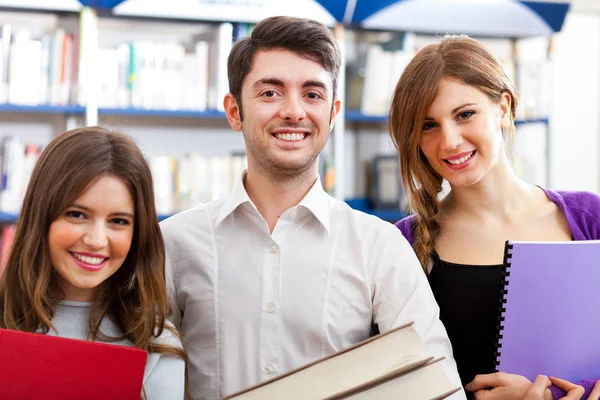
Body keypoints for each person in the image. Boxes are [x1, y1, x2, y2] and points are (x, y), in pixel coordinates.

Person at [161, 15, 464, 400]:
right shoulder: (173, 244)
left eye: (312, 94)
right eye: (270, 93)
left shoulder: (378, 247)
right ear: (234, 111)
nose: (293, 111)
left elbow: (438, 388)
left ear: (334, 112)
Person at [390, 35, 600, 400]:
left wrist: (559, 396)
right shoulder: (402, 244)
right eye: (428, 125)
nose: (450, 140)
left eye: (464, 114)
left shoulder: (589, 219)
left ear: (503, 108)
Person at [0, 127, 189, 400]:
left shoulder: (156, 343)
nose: (97, 240)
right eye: (77, 215)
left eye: (118, 221)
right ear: (42, 216)